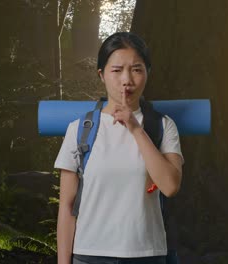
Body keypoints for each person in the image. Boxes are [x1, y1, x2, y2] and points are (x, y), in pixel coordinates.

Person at [54, 32, 184, 264]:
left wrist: (135, 129)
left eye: (136, 69)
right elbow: (67, 206)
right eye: (116, 70)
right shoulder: (80, 129)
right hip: (90, 255)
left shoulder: (162, 126)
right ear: (101, 75)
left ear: (147, 73)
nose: (127, 80)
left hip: (147, 255)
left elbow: (170, 186)